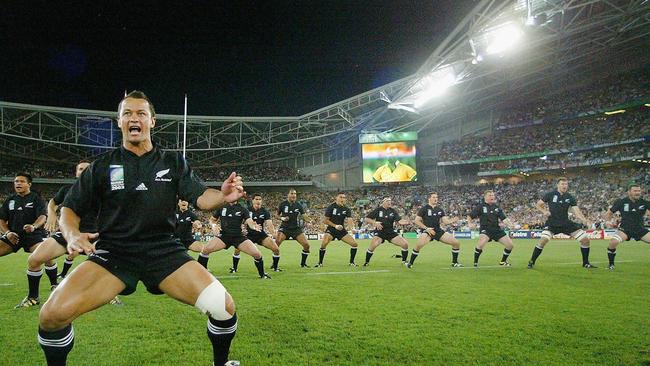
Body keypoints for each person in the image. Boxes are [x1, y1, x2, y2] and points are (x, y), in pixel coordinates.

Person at [37, 91, 244, 366]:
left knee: (224, 308)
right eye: (127, 114)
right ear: (119, 122)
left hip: (164, 252)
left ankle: (222, 363)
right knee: (51, 316)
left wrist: (222, 195)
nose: (134, 118)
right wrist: (73, 234)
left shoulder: (173, 162)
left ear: (152, 121)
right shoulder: (101, 166)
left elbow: (202, 197)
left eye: (141, 114)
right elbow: (68, 209)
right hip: (115, 254)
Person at [0, 173, 54, 308]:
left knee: (45, 257)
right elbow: (1, 219)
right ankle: (35, 296)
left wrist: (33, 226)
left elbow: (43, 216)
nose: (18, 183)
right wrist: (7, 233)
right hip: (13, 236)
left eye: (21, 181)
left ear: (29, 184)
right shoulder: (10, 200)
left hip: (33, 235)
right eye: (16, 181)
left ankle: (54, 284)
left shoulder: (37, 199)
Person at [527, 177, 595, 269]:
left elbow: (576, 211)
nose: (564, 186)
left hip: (565, 223)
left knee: (585, 240)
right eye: (562, 184)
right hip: (552, 223)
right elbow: (538, 204)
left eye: (566, 184)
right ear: (558, 185)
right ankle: (531, 261)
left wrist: (584, 220)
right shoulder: (550, 194)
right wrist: (544, 211)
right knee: (543, 240)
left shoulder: (570, 197)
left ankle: (586, 263)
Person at [198, 201, 270, 279]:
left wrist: (253, 226)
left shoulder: (243, 209)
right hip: (224, 236)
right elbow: (212, 220)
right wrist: (214, 226)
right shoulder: (222, 207)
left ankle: (262, 275)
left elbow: (249, 221)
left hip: (238, 237)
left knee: (257, 254)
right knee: (205, 250)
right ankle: (201, 272)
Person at [408, 192, 462, 268]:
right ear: (429, 199)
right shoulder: (424, 209)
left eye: (436, 197)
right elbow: (416, 221)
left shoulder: (439, 209)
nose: (436, 199)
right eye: (433, 197)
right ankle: (410, 263)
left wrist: (453, 220)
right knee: (419, 245)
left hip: (437, 230)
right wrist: (426, 228)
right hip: (428, 230)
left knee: (456, 243)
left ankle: (455, 263)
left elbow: (445, 221)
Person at [230, 193, 280, 273]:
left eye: (260, 199)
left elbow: (269, 224)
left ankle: (275, 267)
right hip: (248, 235)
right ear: (252, 200)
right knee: (237, 249)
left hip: (261, 235)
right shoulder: (246, 210)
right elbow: (240, 222)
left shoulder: (265, 211)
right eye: (256, 199)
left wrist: (273, 233)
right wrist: (241, 229)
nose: (258, 201)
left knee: (276, 249)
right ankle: (234, 268)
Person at [604, 183, 649, 270]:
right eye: (635, 191)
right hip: (625, 229)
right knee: (613, 242)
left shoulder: (645, 203)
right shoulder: (621, 202)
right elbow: (609, 213)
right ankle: (611, 265)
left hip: (640, 229)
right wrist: (607, 221)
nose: (638, 192)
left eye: (639, 191)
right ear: (629, 192)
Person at [467, 190, 515, 267]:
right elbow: (470, 216)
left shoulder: (496, 207)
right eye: (490, 195)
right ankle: (475, 263)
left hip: (496, 230)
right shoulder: (480, 206)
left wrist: (510, 224)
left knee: (510, 245)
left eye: (493, 195)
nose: (492, 197)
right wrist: (469, 223)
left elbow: (504, 218)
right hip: (485, 229)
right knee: (481, 243)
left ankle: (503, 262)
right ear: (485, 197)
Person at [315, 192, 359, 267]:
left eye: (344, 197)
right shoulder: (331, 207)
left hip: (341, 230)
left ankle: (351, 262)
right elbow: (325, 221)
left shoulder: (347, 209)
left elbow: (350, 220)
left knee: (354, 244)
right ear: (337, 198)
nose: (342, 199)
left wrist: (352, 228)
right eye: (341, 197)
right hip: (331, 230)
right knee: (324, 243)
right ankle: (320, 263)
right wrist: (335, 226)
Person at [363, 198, 410, 266]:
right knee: (373, 245)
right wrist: (374, 222)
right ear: (383, 202)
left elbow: (399, 220)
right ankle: (366, 262)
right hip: (380, 232)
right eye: (387, 201)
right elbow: (367, 219)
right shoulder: (378, 210)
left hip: (390, 232)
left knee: (405, 244)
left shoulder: (393, 211)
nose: (389, 202)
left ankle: (404, 261)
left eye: (390, 201)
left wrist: (404, 222)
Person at [275, 189, 311, 268]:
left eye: (295, 194)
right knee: (276, 245)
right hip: (284, 228)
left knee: (306, 245)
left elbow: (303, 215)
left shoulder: (298, 205)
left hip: (295, 229)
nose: (294, 195)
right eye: (292, 193)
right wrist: (282, 218)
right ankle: (274, 265)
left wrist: (309, 220)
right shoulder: (283, 204)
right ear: (288, 195)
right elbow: (276, 215)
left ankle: (303, 264)